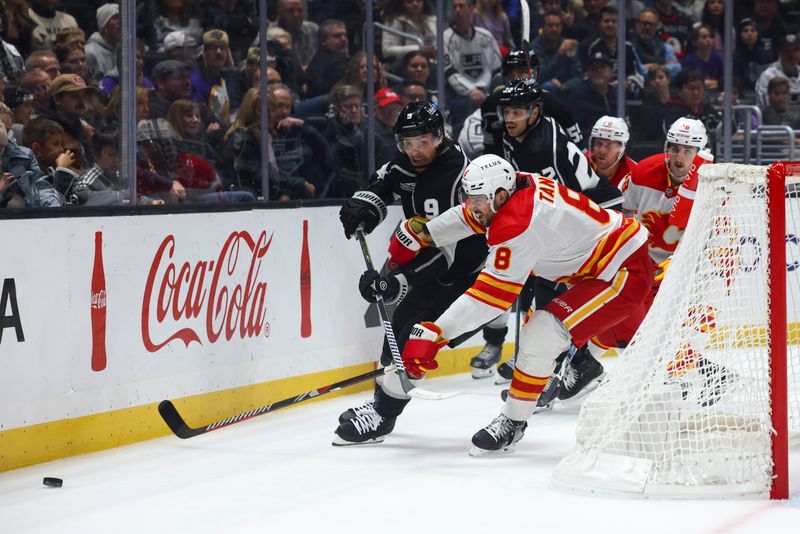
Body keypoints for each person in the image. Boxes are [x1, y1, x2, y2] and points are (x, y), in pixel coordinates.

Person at [393, 153, 651, 454]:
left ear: (501, 195)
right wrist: (428, 233)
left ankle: (513, 423)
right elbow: (470, 216)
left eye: (478, 199)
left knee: (542, 335)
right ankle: (594, 368)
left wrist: (439, 332)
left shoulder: (518, 222)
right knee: (633, 339)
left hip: (620, 271)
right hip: (597, 267)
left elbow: (489, 299)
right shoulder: (515, 184)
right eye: (470, 197)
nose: (472, 206)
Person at [333, 101, 487, 445]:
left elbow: (455, 251)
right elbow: (383, 181)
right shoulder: (403, 162)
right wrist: (366, 207)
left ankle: (382, 417)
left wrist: (399, 279)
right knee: (399, 330)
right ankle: (380, 405)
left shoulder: (458, 176)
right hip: (431, 259)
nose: (415, 151)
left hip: (467, 274)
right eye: (407, 143)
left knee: (414, 342)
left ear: (440, 136)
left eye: (423, 142)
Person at [471, 76, 622, 385]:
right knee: (546, 301)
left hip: (597, 217)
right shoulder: (517, 137)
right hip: (572, 221)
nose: (510, 118)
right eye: (507, 112)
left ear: (535, 113)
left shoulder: (544, 147)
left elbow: (569, 199)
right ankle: (572, 366)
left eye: (517, 112)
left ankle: (552, 373)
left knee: (552, 301)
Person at [443, 0, 502, 137]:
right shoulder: (445, 37)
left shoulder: (486, 36)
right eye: (454, 7)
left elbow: (497, 70)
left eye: (462, 6)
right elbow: (450, 72)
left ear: (472, 8)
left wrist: (496, 90)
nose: (457, 10)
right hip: (461, 96)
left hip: (487, 92)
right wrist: (471, 91)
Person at [380, 0, 437, 71]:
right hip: (400, 67)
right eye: (410, 1)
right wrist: (419, 49)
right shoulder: (392, 22)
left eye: (419, 1)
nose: (415, 4)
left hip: (427, 65)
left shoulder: (431, 20)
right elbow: (387, 51)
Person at [585, 115, 636, 188]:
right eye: (599, 144)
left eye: (609, 146)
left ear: (622, 149)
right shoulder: (580, 163)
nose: (602, 151)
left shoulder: (634, 174)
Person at [305, 19, 350, 98]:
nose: (343, 39)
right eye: (337, 36)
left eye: (345, 35)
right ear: (323, 41)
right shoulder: (336, 66)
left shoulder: (318, 58)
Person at [85, 3, 118, 82]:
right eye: (115, 18)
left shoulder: (125, 48)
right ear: (105, 24)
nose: (121, 22)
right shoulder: (90, 52)